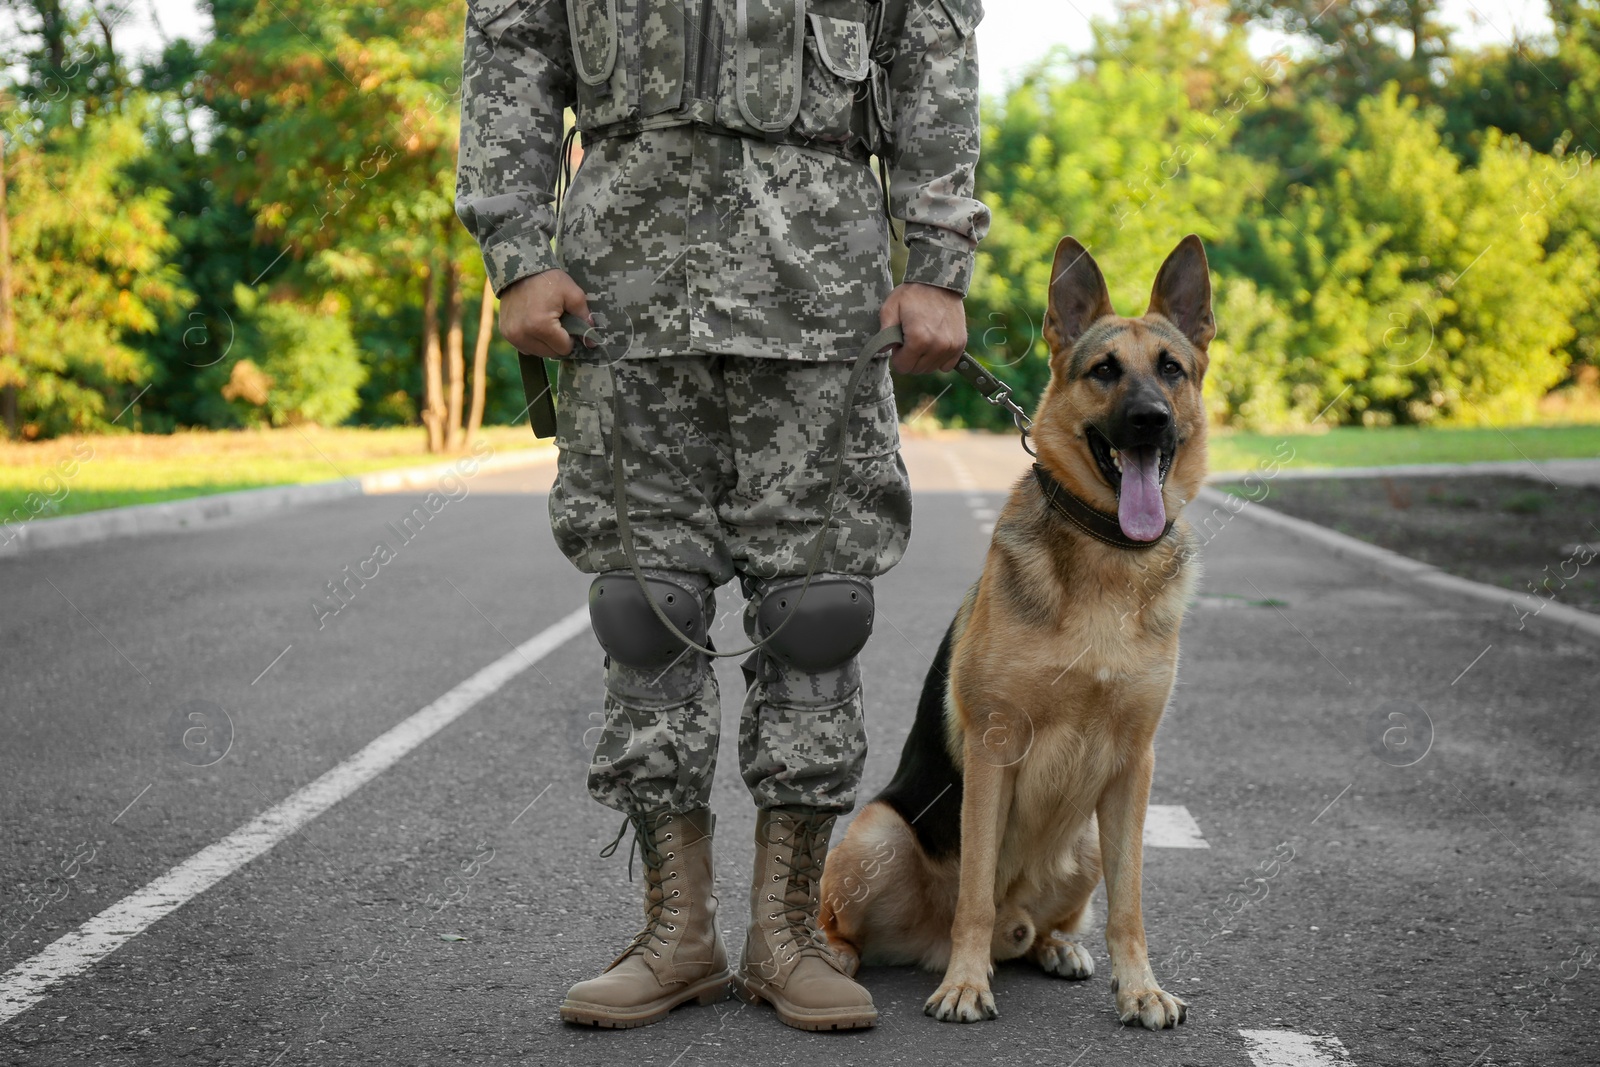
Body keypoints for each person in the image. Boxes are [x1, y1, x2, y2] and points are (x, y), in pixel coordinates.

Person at [455, 0, 989, 1031]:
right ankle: (677, 934)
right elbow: (513, 43)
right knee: (642, 606)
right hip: (622, 291)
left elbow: (932, 48)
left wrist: (937, 260)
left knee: (819, 608)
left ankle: (788, 933)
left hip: (822, 284)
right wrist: (516, 251)